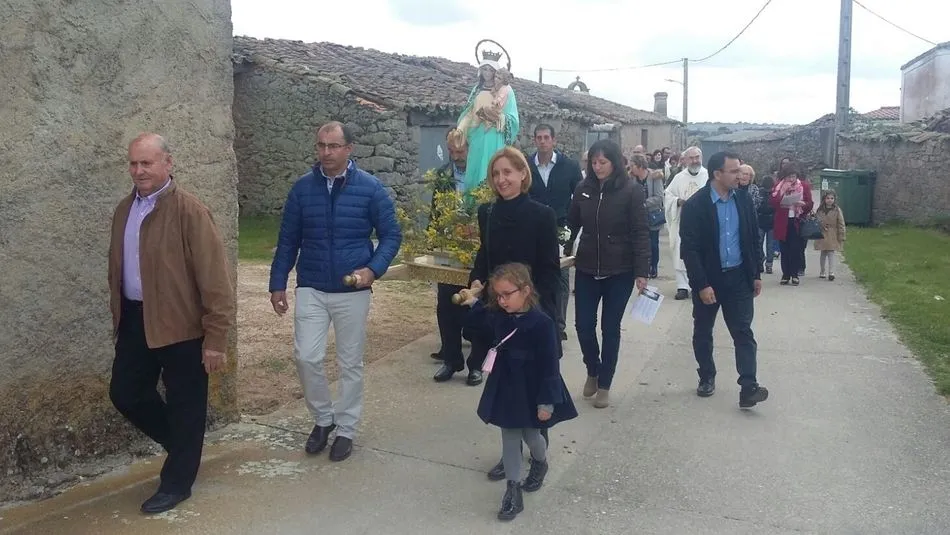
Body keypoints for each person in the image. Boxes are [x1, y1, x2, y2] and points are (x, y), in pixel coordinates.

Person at [108, 133, 234, 514]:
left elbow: (215, 280)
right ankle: (182, 447)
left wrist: (216, 338)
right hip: (135, 318)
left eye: (147, 163)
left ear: (168, 163)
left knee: (186, 404)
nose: (139, 170)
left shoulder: (190, 212)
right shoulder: (123, 209)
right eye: (133, 163)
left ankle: (178, 482)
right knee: (125, 393)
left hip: (183, 327)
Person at [269, 121, 402, 462]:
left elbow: (391, 236)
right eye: (321, 146)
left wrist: (372, 270)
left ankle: (346, 428)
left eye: (333, 146)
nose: (325, 152)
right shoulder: (302, 190)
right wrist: (277, 283)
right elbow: (288, 240)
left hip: (352, 290)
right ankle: (323, 419)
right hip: (312, 284)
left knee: (350, 362)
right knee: (306, 356)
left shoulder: (370, 189)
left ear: (348, 149)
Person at [464, 146, 561, 481]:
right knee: (506, 388)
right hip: (499, 313)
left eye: (508, 172)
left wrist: (541, 313)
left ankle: (538, 458)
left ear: (523, 173)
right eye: (496, 174)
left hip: (533, 317)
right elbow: (485, 254)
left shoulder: (542, 215)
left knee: (534, 390)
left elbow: (550, 271)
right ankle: (511, 454)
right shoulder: (486, 212)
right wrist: (477, 279)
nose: (501, 179)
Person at [459, 263, 577, 522]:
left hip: (532, 387)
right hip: (506, 384)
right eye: (497, 296)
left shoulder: (542, 323)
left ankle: (540, 460)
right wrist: (472, 300)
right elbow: (479, 322)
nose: (501, 301)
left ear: (525, 290)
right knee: (510, 436)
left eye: (506, 294)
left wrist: (547, 401)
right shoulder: (499, 314)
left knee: (533, 436)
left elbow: (550, 365)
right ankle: (513, 490)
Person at [678, 151, 768, 408]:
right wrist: (702, 284)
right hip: (709, 279)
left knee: (743, 331)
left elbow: (752, 238)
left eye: (740, 170)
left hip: (739, 277)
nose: (739, 175)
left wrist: (756, 274)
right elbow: (690, 250)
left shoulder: (743, 200)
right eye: (733, 171)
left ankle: (748, 386)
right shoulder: (696, 206)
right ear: (717, 174)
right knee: (704, 331)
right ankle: (706, 375)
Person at [566, 140, 650, 409]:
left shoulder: (631, 191)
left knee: (610, 328)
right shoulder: (583, 189)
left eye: (603, 162)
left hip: (620, 271)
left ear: (615, 162)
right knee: (583, 325)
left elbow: (640, 232)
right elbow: (571, 225)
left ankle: (604, 383)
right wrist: (561, 251)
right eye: (594, 162)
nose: (598, 167)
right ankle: (593, 367)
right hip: (587, 267)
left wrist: (642, 271)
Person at [430, 129, 481, 378]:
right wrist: (433, 239)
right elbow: (435, 209)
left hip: (477, 245)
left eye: (461, 152)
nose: (457, 156)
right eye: (452, 152)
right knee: (445, 303)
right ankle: (451, 360)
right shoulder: (443, 175)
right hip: (449, 244)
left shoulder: (482, 175)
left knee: (477, 303)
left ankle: (476, 365)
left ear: (470, 149)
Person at [526, 124, 583, 341]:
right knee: (534, 273)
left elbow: (578, 196)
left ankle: (559, 324)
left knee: (561, 275)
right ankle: (536, 319)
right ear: (534, 141)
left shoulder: (569, 166)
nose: (542, 141)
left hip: (562, 227)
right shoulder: (526, 166)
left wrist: (572, 222)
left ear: (554, 140)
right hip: (533, 227)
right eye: (538, 137)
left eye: (546, 137)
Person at [457, 51, 520, 193]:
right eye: (484, 69)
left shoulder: (506, 91)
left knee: (492, 168)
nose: (487, 73)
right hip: (477, 136)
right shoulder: (477, 89)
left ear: (496, 72)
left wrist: (498, 118)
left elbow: (513, 119)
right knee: (474, 170)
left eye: (491, 70)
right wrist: (461, 129)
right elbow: (469, 113)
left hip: (494, 135)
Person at [664, 146, 708, 300]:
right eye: (692, 158)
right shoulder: (679, 177)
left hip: (703, 223)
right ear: (686, 160)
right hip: (683, 221)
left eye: (697, 157)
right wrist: (678, 201)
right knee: (679, 252)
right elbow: (668, 194)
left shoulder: (708, 176)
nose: (695, 160)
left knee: (701, 253)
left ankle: (699, 285)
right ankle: (682, 286)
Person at [768, 163, 814, 286]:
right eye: (789, 176)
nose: (791, 179)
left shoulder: (803, 186)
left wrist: (803, 204)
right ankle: (785, 274)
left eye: (793, 176)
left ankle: (794, 274)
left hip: (796, 220)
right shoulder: (779, 186)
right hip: (783, 221)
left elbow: (810, 203)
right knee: (784, 249)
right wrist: (782, 195)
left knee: (795, 248)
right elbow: (772, 202)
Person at [813, 189, 846, 281]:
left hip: (832, 233)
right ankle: (822, 271)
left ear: (835, 199)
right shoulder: (820, 210)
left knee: (831, 252)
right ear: (824, 199)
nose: (830, 200)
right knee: (823, 253)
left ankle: (831, 272)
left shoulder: (837, 210)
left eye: (832, 198)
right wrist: (820, 225)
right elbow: (816, 221)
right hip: (822, 233)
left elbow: (841, 223)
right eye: (828, 198)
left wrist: (842, 235)